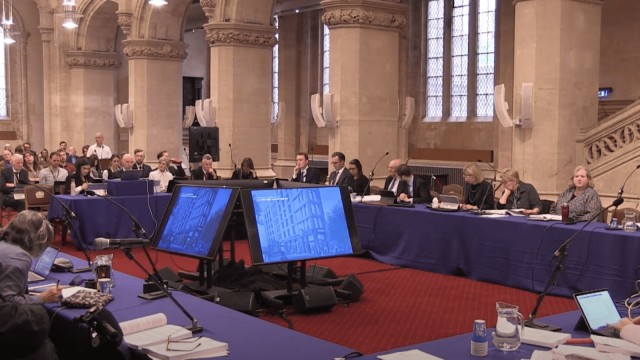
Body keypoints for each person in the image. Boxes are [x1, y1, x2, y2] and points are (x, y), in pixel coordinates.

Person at [0, 210, 61, 304]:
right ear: (40, 239)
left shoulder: (4, 244)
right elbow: (8, 303)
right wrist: (41, 298)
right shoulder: (18, 259)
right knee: (37, 314)